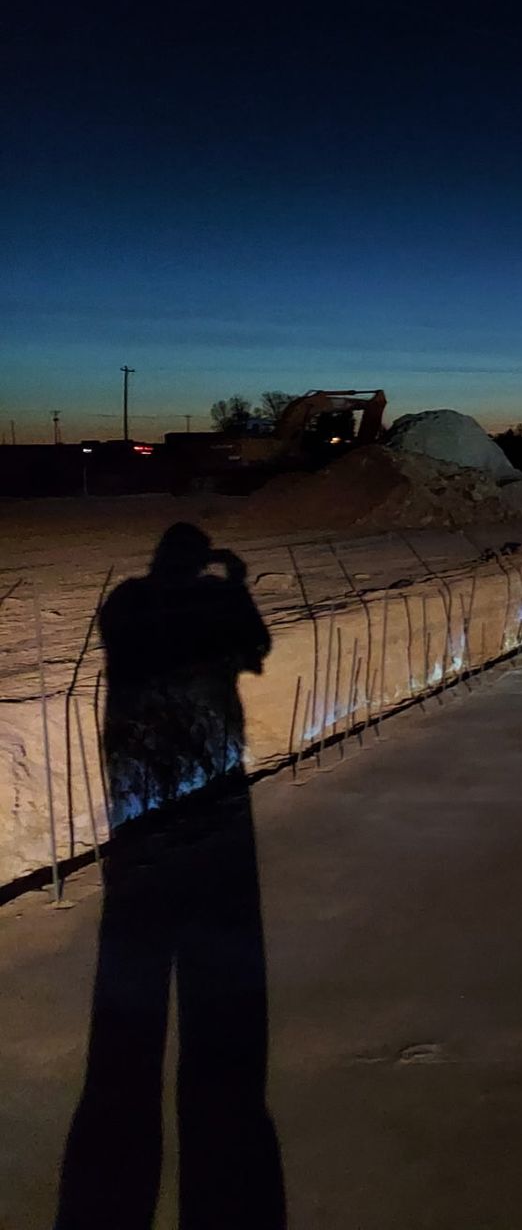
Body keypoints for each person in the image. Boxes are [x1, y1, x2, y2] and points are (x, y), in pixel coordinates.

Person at [58, 523, 285, 1229]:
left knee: (137, 937)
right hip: (209, 795)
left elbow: (122, 644)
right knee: (216, 970)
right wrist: (238, 585)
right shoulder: (218, 604)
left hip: (137, 796)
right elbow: (257, 653)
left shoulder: (125, 602)